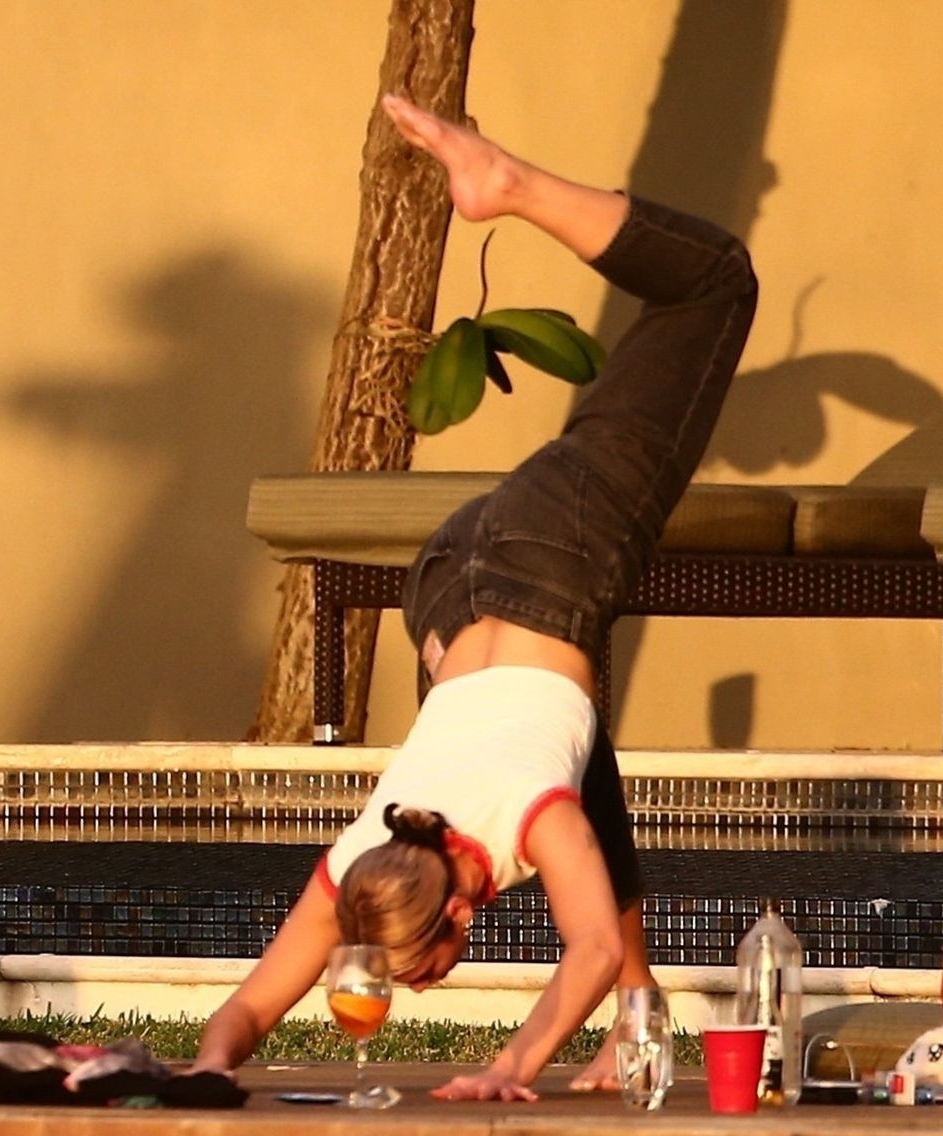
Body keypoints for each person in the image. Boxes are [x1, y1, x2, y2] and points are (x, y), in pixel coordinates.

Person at [193, 93, 759, 1102]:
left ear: (457, 911)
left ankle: (510, 184)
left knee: (714, 282)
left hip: (552, 555)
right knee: (581, 751)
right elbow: (244, 1010)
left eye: (421, 968)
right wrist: (203, 1069)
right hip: (446, 582)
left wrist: (509, 1067)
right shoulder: (366, 856)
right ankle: (641, 1025)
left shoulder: (524, 818)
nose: (417, 984)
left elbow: (587, 948)